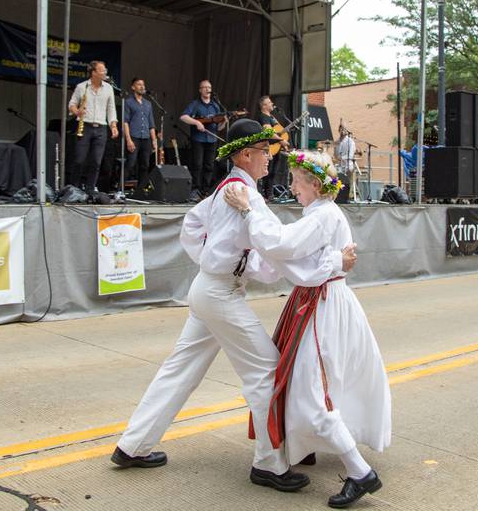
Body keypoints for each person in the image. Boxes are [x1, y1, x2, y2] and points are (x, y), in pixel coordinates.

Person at [111, 119, 357, 494]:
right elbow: (276, 244)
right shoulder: (248, 196)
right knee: (266, 372)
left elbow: (191, 228)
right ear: (246, 153)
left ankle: (133, 445)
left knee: (180, 369)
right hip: (220, 294)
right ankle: (270, 464)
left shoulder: (226, 187)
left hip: (208, 288)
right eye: (264, 152)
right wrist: (331, 264)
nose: (268, 159)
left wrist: (217, 262)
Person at [223, 150, 391, 509]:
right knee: (308, 384)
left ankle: (360, 473)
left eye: (297, 181)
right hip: (321, 301)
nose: (292, 187)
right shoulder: (321, 214)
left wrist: (249, 210)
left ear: (315, 184)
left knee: (311, 390)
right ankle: (309, 447)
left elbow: (283, 246)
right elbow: (299, 256)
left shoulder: (322, 216)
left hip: (322, 305)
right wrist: (332, 262)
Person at [67, 61, 119, 193]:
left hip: (101, 128)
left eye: (105, 70)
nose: (105, 73)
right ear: (94, 72)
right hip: (84, 126)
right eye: (102, 70)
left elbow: (111, 108)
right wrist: (77, 111)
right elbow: (71, 104)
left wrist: (113, 125)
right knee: (79, 159)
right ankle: (74, 188)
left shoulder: (109, 88)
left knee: (96, 161)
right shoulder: (81, 87)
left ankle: (90, 189)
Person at [181, 80, 223, 201]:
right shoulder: (195, 104)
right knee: (197, 165)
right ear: (200, 90)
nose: (207, 89)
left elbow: (219, 127)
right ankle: (195, 190)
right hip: (198, 139)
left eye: (209, 87)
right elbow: (183, 117)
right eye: (204, 87)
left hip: (212, 138)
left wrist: (224, 121)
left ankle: (206, 191)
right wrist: (196, 122)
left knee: (209, 165)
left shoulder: (215, 105)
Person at [123, 78, 158, 192]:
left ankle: (141, 190)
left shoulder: (148, 104)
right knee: (131, 163)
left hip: (146, 138)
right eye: (139, 84)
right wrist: (128, 140)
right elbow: (125, 122)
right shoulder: (128, 102)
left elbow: (151, 123)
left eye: (143, 84)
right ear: (133, 87)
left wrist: (154, 140)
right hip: (134, 136)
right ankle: (120, 189)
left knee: (145, 165)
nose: (142, 86)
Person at [256, 95, 288, 201]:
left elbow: (278, 130)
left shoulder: (272, 117)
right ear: (264, 106)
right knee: (267, 172)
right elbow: (269, 132)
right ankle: (265, 195)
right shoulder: (263, 117)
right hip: (268, 148)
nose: (272, 104)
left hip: (276, 148)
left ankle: (269, 195)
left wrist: (281, 139)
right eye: (269, 102)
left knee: (273, 172)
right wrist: (281, 140)